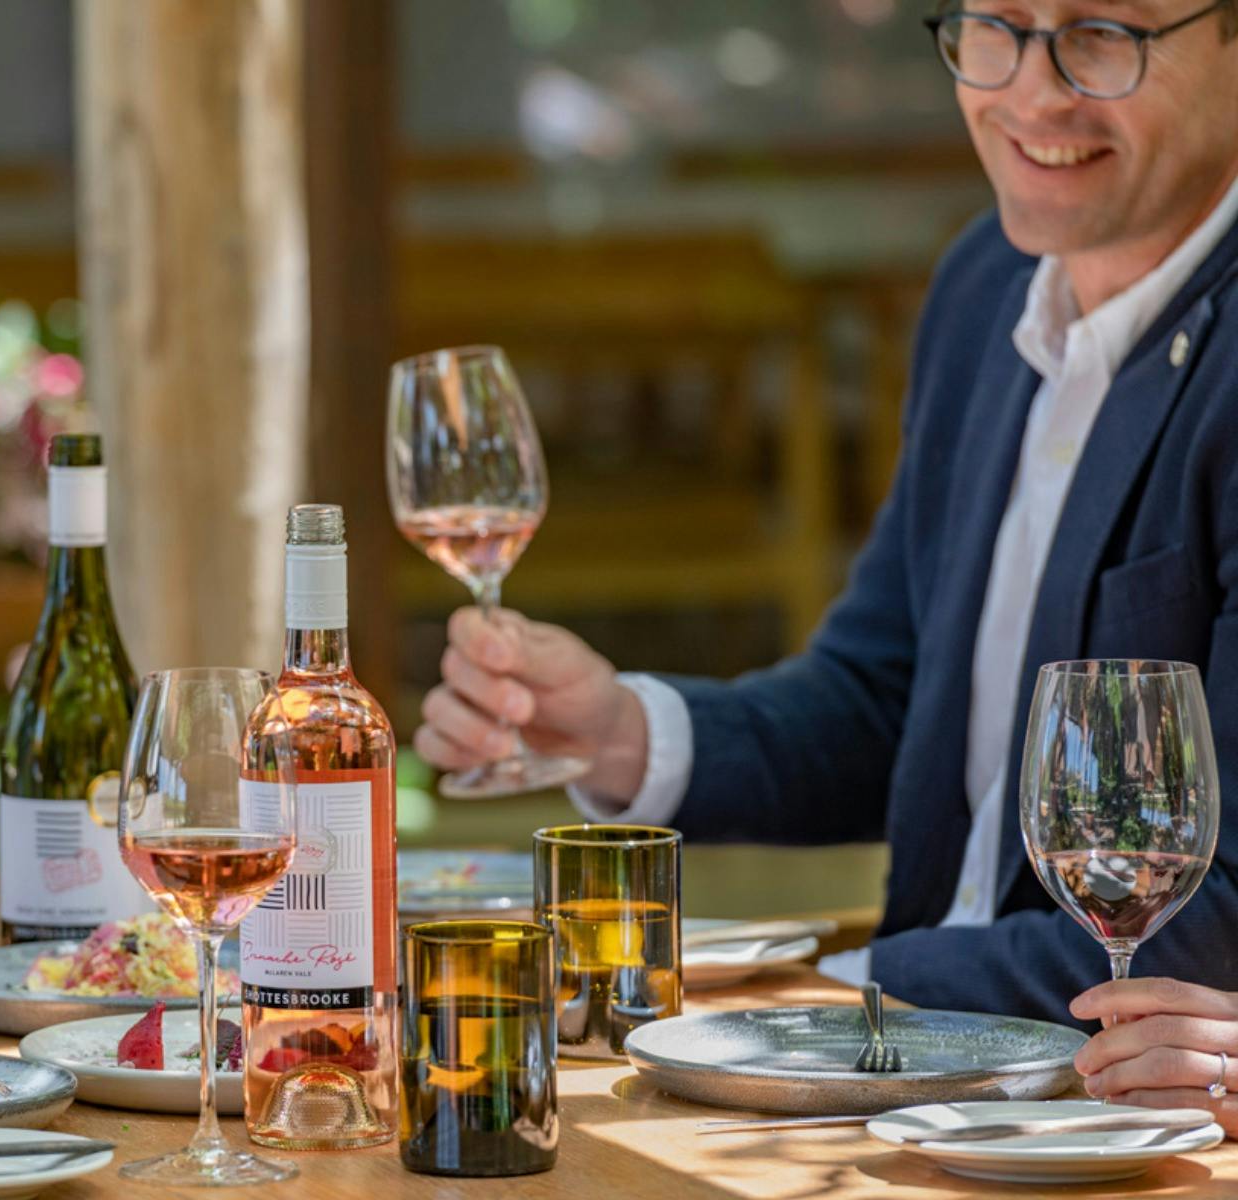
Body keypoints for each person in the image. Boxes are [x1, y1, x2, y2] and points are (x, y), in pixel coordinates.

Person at [416, 0, 1238, 1108]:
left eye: (1104, 34)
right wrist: (621, 731)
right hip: (919, 1080)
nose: (1033, 91)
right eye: (997, 23)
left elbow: (1222, 919)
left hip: (1100, 1114)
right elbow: (887, 704)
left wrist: (849, 991)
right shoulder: (985, 285)